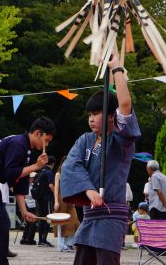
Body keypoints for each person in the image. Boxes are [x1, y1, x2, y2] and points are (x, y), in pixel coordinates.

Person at [61, 57, 141, 265]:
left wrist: (117, 68)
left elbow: (124, 104)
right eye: (90, 114)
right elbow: (71, 166)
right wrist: (88, 190)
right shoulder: (84, 140)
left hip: (111, 216)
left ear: (111, 115)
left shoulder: (121, 140)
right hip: (89, 217)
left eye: (96, 113)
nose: (91, 118)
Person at [0, 116, 56, 265]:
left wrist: (23, 211)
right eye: (46, 140)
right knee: (1, 227)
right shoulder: (18, 144)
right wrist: (36, 166)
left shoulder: (25, 147)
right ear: (37, 133)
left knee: (1, 227)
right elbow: (10, 173)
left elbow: (19, 182)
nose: (46, 144)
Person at [53, 156, 80, 252]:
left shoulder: (71, 174)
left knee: (75, 222)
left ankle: (69, 243)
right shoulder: (58, 174)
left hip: (70, 199)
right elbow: (56, 189)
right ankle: (61, 245)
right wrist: (56, 201)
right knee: (61, 223)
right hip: (61, 199)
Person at [37, 155, 56, 247]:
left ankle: (40, 240)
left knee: (41, 219)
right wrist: (57, 194)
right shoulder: (49, 172)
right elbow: (51, 186)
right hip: (47, 198)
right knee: (48, 218)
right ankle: (44, 240)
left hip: (39, 198)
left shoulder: (41, 171)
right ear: (52, 164)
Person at [20, 172, 38, 245]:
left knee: (28, 222)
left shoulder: (30, 185)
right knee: (32, 222)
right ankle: (29, 239)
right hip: (30, 204)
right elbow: (31, 196)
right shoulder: (28, 186)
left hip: (28, 204)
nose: (33, 179)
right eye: (32, 177)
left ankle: (25, 238)